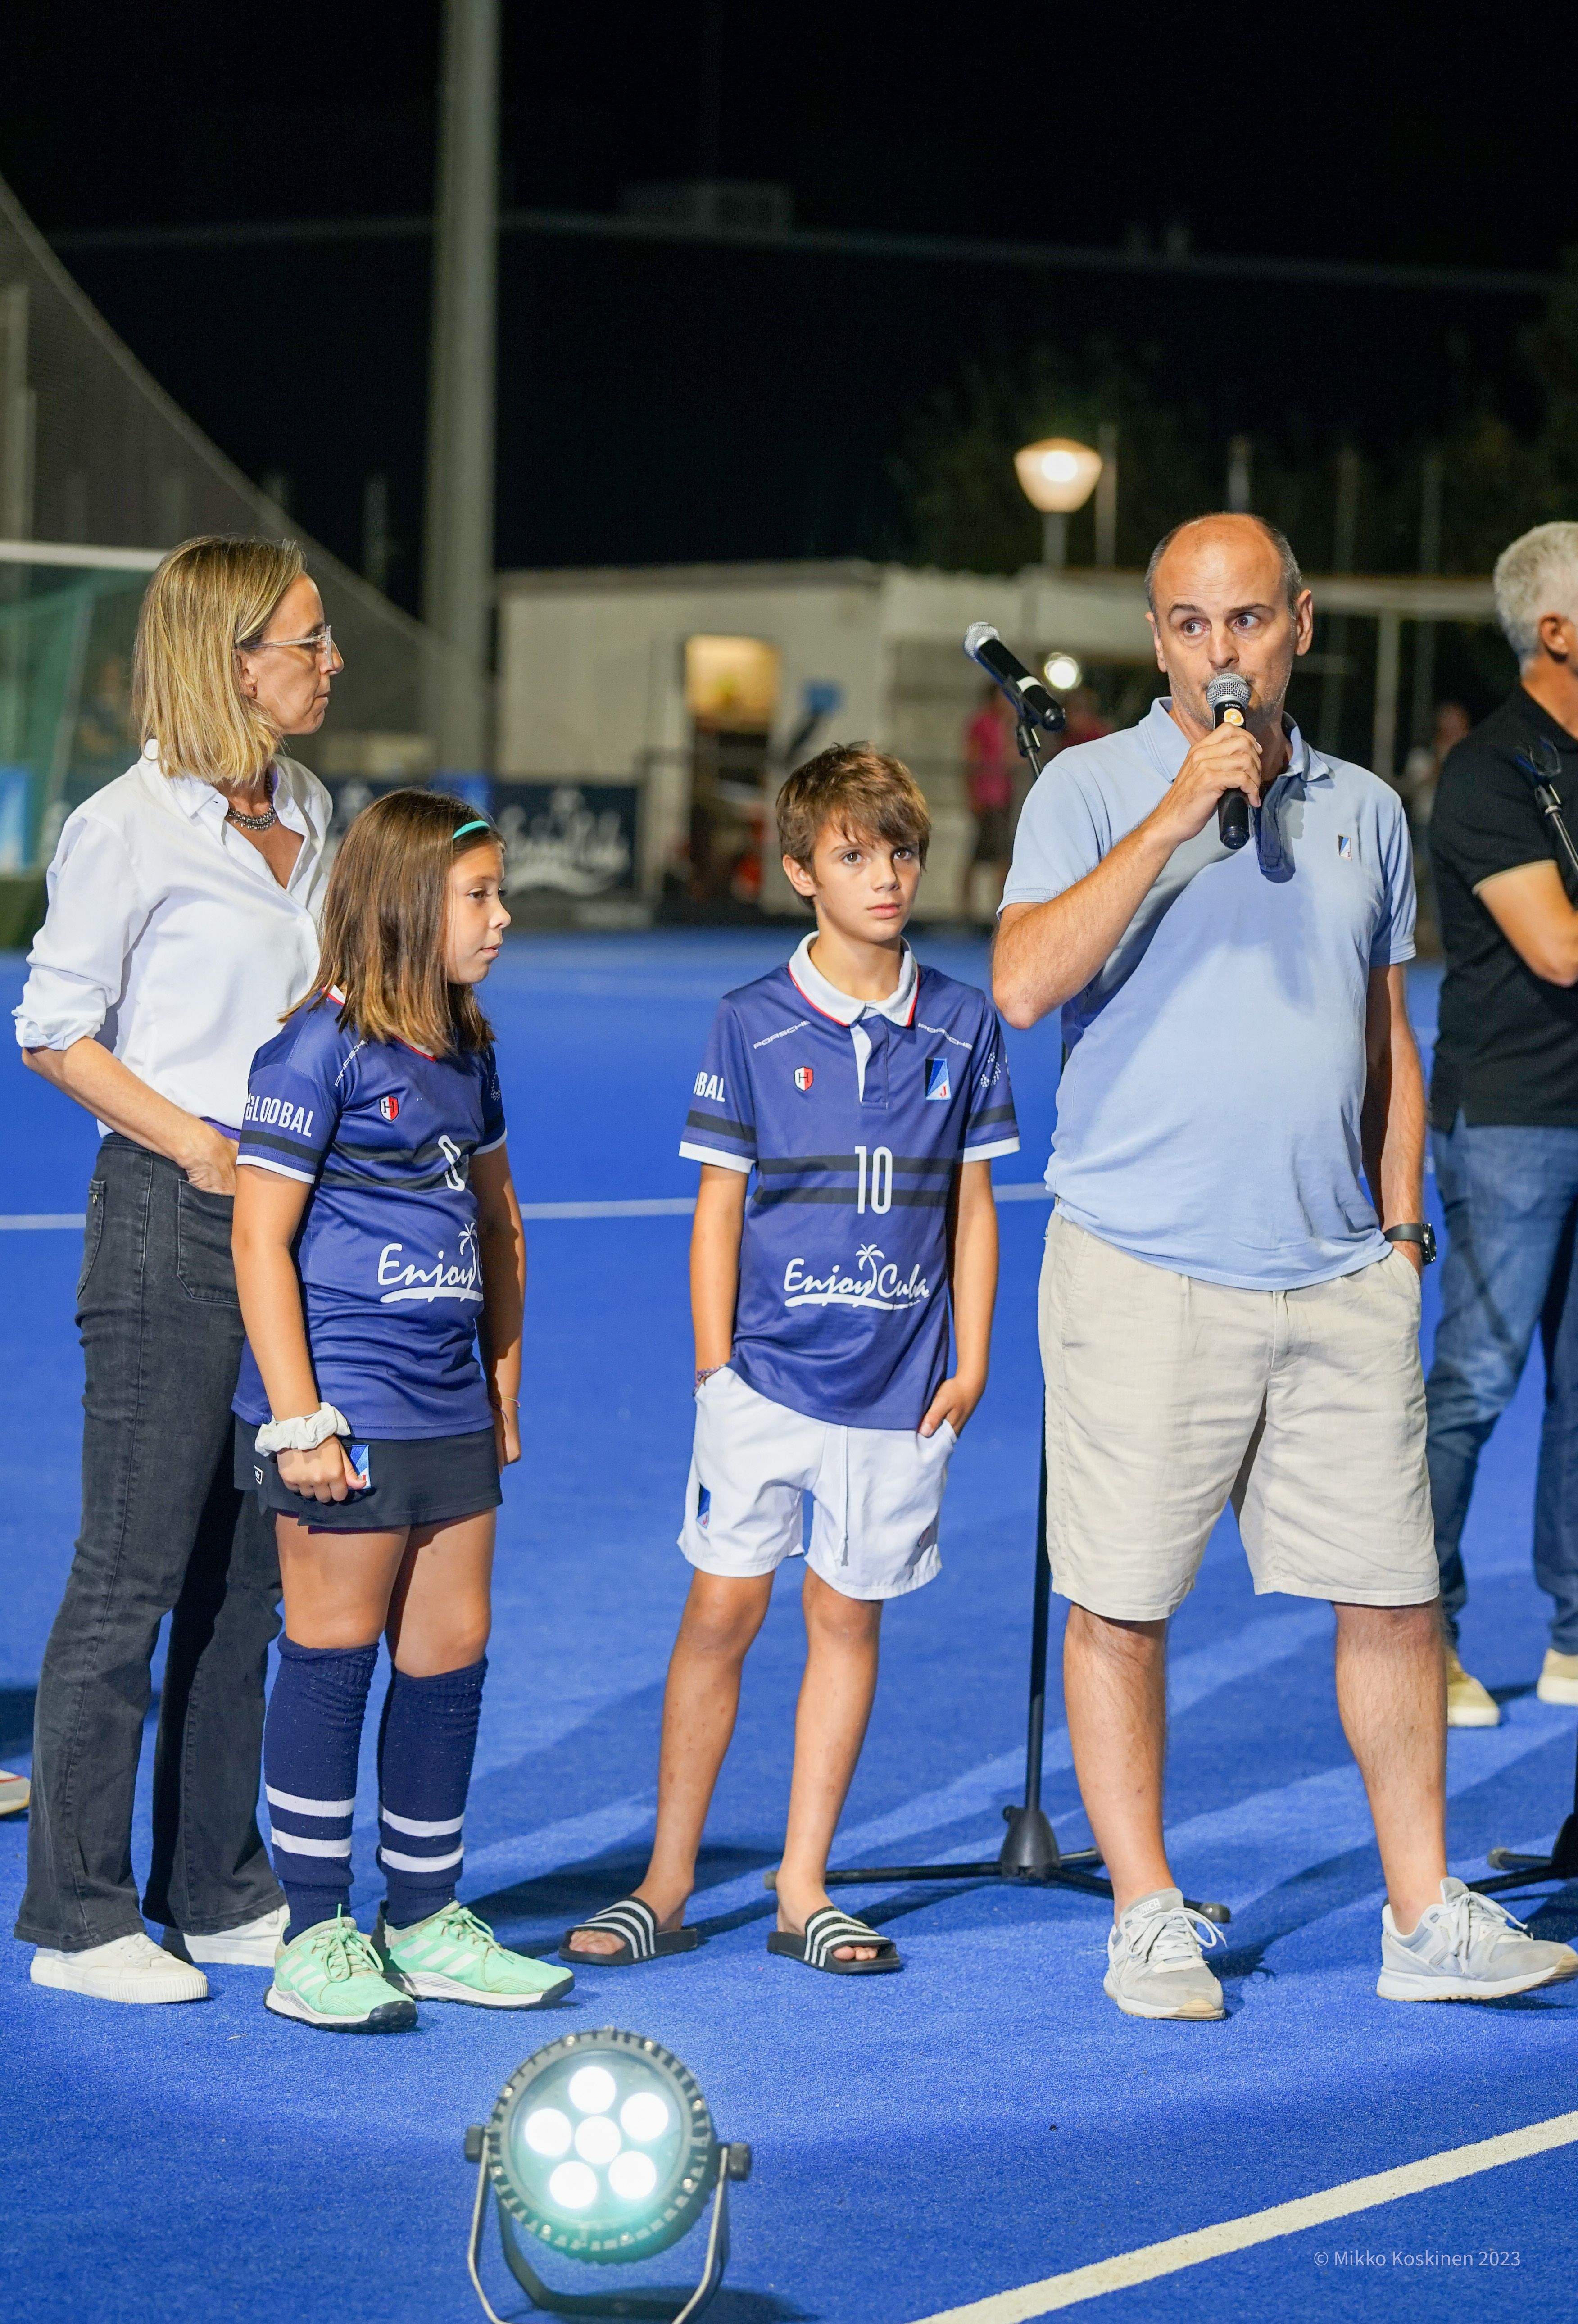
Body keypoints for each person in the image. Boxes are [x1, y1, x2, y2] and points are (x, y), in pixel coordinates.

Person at [994, 512, 1577, 2018]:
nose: (1221, 653)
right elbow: (1023, 983)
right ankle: (1145, 1912)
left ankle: (1422, 1915)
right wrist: (1174, 813)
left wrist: (1400, 1234)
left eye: (1246, 620)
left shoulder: (1368, 809)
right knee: (1122, 1603)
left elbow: (1385, 1031)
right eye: (1189, 625)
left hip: (1337, 1278)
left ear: (1299, 625)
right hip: (1142, 1268)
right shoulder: (1087, 788)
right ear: (1156, 639)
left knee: (1394, 1598)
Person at [564, 744, 1018, 1976]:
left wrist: (972, 1360)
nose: (886, 875)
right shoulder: (751, 1021)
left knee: (844, 1620)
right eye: (854, 855)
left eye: (901, 851)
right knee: (721, 1611)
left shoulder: (963, 1021)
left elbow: (973, 1208)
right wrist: (715, 1368)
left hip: (899, 1388)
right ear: (802, 871)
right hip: (762, 1382)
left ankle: (802, 1884)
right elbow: (718, 1207)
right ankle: (665, 1882)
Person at [14, 537, 337, 2005]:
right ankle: (78, 1918)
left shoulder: (313, 807)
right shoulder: (123, 829)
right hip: (168, 1220)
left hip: (291, 1231)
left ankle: (214, 1888)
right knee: (131, 1574)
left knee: (248, 1584)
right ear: (232, 660)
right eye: (307, 641)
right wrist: (203, 1146)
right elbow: (52, 1030)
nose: (330, 663)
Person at [231, 789, 569, 2028]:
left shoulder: (468, 1050)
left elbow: (498, 1218)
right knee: (331, 1657)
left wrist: (502, 1378)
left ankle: (423, 1920)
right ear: (406, 903)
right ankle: (313, 1936)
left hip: (447, 1407)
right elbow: (259, 1242)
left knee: (448, 1653)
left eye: (497, 893)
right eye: (478, 896)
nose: (502, 916)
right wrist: (299, 1417)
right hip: (346, 1407)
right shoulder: (314, 1050)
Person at [1424, 523, 1578, 1726]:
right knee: (1475, 1381)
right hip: (1512, 1119)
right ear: (1555, 631)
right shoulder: (1489, 772)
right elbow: (1558, 948)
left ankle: (1573, 1637)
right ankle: (1420, 1633)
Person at [960, 681, 1018, 921]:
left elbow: (1013, 758)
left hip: (1004, 796)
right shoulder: (981, 723)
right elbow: (971, 760)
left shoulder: (1006, 725)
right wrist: (972, 795)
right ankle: (979, 907)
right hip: (988, 796)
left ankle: (990, 905)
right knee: (995, 855)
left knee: (991, 854)